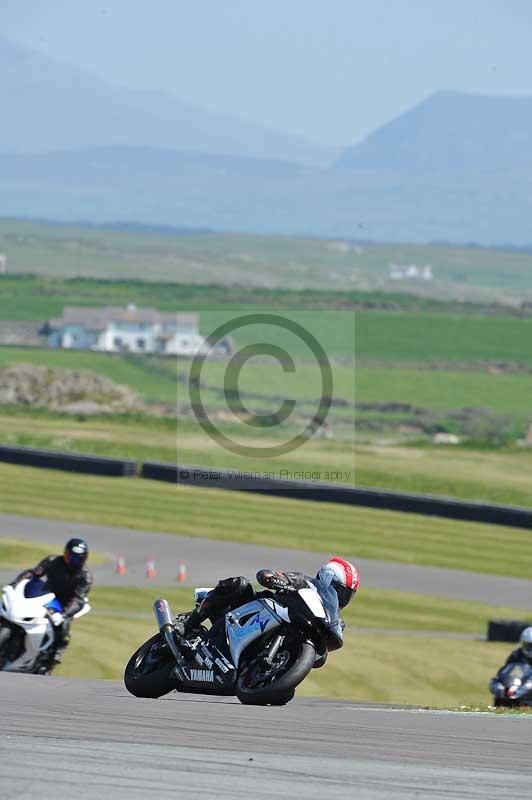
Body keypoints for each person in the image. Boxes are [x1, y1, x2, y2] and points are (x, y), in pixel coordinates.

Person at [177, 556, 360, 652]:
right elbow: (265, 575)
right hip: (253, 612)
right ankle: (188, 623)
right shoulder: (304, 582)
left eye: (347, 595)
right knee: (239, 584)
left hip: (277, 639)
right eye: (341, 590)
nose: (342, 598)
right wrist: (275, 580)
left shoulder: (332, 620)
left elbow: (320, 658)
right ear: (327, 579)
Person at [10, 538, 92, 666]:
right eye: (69, 556)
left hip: (62, 605)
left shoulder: (85, 576)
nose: (72, 561)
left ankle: (53, 657)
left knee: (63, 629)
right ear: (65, 553)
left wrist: (64, 615)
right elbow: (34, 573)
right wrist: (15, 584)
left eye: (77, 559)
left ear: (84, 559)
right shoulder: (53, 560)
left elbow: (78, 600)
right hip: (44, 595)